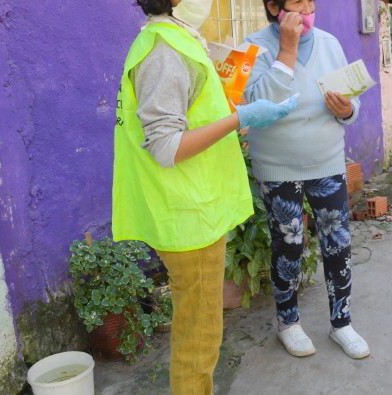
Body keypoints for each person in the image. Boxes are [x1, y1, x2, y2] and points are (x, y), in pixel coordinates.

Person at [112, 0, 296, 392]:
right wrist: (240, 118)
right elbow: (166, 146)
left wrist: (232, 118)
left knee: (199, 329)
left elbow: (188, 120)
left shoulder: (175, 40)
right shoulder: (165, 50)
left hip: (195, 209)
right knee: (199, 337)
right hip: (187, 215)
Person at [241, 0, 370, 359]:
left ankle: (341, 323)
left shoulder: (330, 43)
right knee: (289, 248)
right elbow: (256, 106)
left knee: (338, 244)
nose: (308, 7)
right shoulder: (253, 46)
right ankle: (288, 324)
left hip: (326, 162)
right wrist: (286, 49)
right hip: (278, 167)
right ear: (273, 6)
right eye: (298, 1)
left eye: (312, 1)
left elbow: (352, 98)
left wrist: (348, 109)